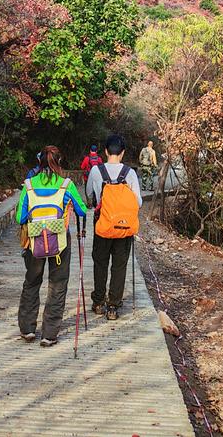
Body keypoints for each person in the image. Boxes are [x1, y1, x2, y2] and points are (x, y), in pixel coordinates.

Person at [16, 145, 87, 347]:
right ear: (60, 162)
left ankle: (28, 330)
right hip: (59, 243)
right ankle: (49, 334)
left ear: (39, 162)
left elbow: (19, 216)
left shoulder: (28, 185)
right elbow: (82, 211)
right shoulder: (66, 185)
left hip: (34, 242)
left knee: (31, 282)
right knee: (57, 284)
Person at [86, 133, 142, 320]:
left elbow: (89, 195)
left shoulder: (96, 171)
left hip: (102, 224)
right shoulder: (130, 173)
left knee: (100, 262)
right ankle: (113, 306)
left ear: (105, 151)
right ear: (123, 152)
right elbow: (138, 202)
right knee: (119, 265)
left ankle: (99, 302)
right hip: (123, 227)